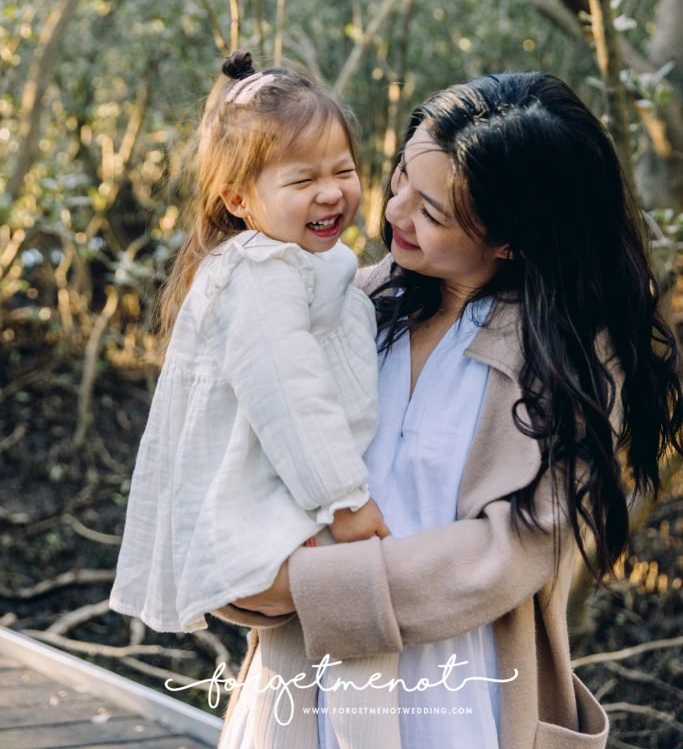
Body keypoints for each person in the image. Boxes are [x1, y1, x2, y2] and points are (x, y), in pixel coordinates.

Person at [214, 72, 683, 749]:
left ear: (513, 241)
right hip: (300, 680)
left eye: (432, 213)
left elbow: (510, 551)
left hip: (459, 694)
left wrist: (307, 586)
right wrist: (240, 573)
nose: (393, 212)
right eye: (401, 177)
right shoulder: (337, 304)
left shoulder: (576, 359)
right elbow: (234, 476)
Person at [109, 51, 401, 747]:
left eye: (343, 172)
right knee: (365, 637)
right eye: (303, 179)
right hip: (264, 511)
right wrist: (347, 500)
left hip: (279, 504)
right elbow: (289, 396)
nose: (331, 193)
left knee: (318, 658)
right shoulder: (264, 275)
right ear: (238, 199)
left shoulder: (291, 262)